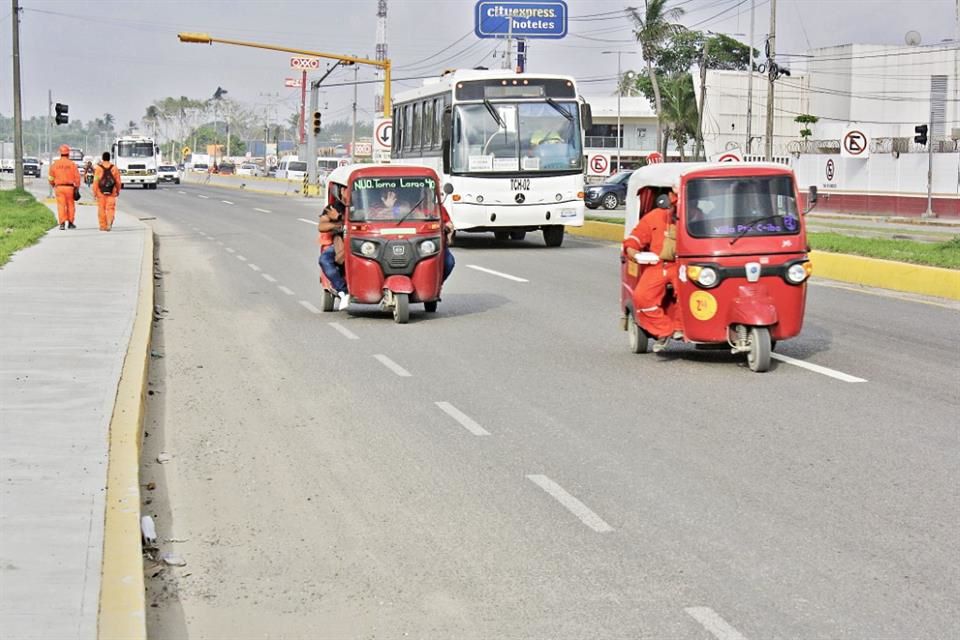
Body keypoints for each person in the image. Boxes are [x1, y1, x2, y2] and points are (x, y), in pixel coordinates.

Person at [623, 187, 682, 353]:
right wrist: (631, 249)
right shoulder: (655, 217)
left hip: (685, 266)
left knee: (688, 293)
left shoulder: (695, 215)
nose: (675, 199)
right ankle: (665, 330)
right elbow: (635, 238)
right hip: (658, 265)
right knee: (642, 297)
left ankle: (681, 327)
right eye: (673, 194)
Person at [317, 201, 349, 310]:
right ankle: (343, 291)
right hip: (339, 243)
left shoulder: (363, 201)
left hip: (362, 242)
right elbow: (322, 226)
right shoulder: (334, 207)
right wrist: (337, 222)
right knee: (324, 259)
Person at [47, 144, 81, 230]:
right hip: (70, 188)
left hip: (59, 188)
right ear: (68, 153)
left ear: (60, 153)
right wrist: (77, 187)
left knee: (61, 206)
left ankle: (62, 224)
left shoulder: (55, 164)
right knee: (70, 205)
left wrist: (53, 184)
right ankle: (70, 223)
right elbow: (77, 177)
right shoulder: (72, 164)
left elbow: (51, 177)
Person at [93, 151, 122, 231]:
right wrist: (118, 190)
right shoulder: (114, 168)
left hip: (100, 193)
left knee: (101, 209)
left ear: (102, 158)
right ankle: (109, 222)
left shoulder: (98, 168)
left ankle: (103, 226)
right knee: (110, 208)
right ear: (109, 158)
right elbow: (118, 181)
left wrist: (95, 192)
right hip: (111, 192)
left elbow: (95, 181)